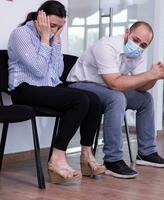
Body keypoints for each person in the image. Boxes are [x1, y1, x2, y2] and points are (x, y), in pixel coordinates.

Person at [8, 0, 105, 184]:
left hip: (47, 87)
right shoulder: (20, 34)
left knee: (93, 99)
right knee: (80, 99)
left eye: (59, 27)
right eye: (52, 25)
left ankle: (86, 155)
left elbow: (57, 72)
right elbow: (38, 69)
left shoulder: (53, 37)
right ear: (40, 18)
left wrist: (56, 41)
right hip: (25, 89)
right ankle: (57, 159)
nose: (54, 30)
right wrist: (46, 39)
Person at [67, 21, 164, 179]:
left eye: (143, 45)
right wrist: (149, 75)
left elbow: (141, 87)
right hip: (81, 85)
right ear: (127, 32)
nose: (138, 46)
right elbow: (115, 83)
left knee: (145, 99)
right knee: (116, 98)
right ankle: (112, 160)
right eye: (136, 40)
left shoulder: (138, 54)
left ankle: (146, 152)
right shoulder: (106, 46)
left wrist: (156, 76)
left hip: (106, 89)